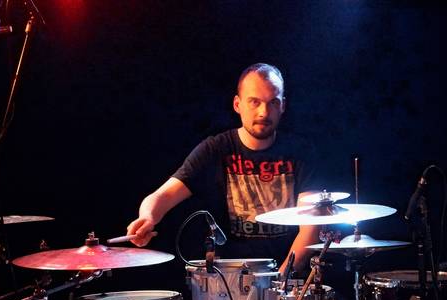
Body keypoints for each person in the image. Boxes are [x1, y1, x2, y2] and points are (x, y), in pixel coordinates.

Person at [126, 63, 321, 274]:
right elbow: (162, 196)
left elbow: (310, 228)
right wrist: (147, 217)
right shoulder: (215, 149)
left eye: (273, 102)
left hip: (287, 279)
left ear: (283, 105)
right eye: (254, 102)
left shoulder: (301, 152)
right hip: (228, 279)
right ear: (237, 104)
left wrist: (278, 282)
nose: (264, 112)